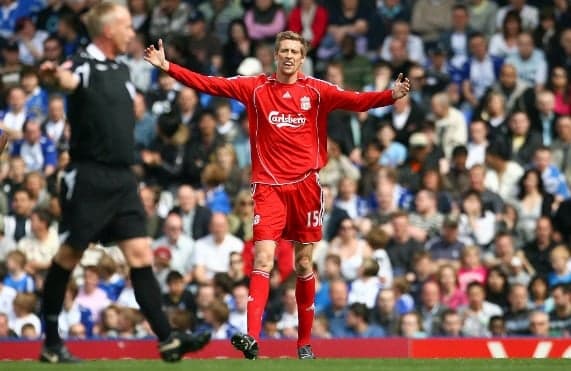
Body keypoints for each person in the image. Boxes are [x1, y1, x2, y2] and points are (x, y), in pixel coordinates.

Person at [144, 30, 410, 359]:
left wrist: (390, 95)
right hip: (268, 188)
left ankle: (304, 343)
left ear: (302, 58)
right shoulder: (255, 88)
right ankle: (252, 337)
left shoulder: (317, 91)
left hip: (307, 187)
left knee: (302, 263)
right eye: (283, 49)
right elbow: (210, 83)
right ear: (275, 54)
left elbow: (357, 100)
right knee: (263, 259)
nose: (288, 55)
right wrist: (168, 66)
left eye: (294, 51)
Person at [37, 3, 210, 364]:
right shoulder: (84, 62)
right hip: (89, 177)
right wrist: (53, 76)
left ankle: (168, 340)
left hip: (122, 178)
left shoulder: (121, 68)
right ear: (108, 30)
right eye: (127, 26)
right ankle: (52, 341)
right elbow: (66, 79)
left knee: (141, 255)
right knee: (69, 256)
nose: (133, 32)